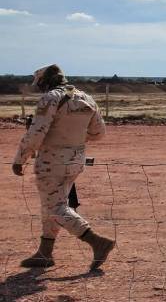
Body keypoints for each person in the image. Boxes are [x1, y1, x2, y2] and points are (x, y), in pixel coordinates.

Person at [11, 64, 116, 271]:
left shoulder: (50, 98)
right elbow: (99, 133)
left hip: (52, 160)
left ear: (45, 81)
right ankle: (45, 252)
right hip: (76, 159)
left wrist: (20, 158)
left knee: (54, 207)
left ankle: (97, 242)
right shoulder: (86, 98)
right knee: (53, 203)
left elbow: (36, 133)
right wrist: (72, 141)